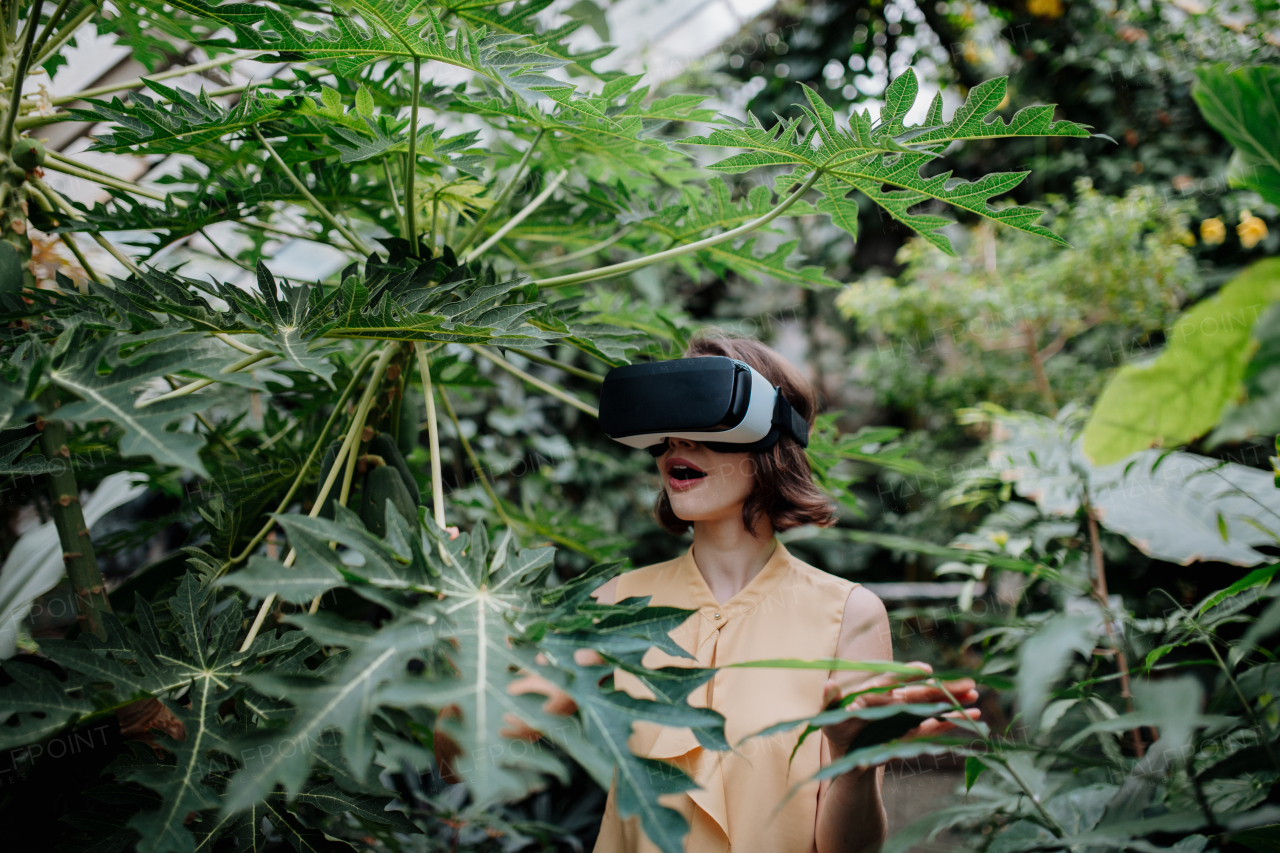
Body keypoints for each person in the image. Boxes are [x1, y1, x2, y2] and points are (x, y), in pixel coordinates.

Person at [512, 334, 981, 853]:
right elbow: (466, 752)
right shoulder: (617, 605)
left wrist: (857, 761)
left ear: (770, 437)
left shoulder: (848, 614)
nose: (675, 445)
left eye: (702, 417)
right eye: (667, 429)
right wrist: (457, 612)